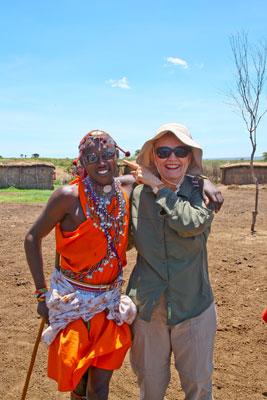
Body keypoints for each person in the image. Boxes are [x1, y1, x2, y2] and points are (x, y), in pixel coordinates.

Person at [24, 130, 137, 400]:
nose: (102, 162)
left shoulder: (127, 187)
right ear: (81, 162)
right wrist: (42, 294)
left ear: (118, 157)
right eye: (92, 156)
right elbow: (32, 238)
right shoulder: (68, 196)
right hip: (74, 303)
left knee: (99, 386)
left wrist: (203, 183)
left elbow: (170, 172)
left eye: (109, 154)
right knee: (80, 382)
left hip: (109, 304)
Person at [124, 122, 221, 400]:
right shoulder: (138, 196)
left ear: (190, 157)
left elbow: (189, 223)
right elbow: (125, 242)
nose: (172, 158)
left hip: (193, 306)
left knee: (198, 385)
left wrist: (158, 186)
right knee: (150, 385)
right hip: (148, 308)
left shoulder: (201, 194)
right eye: (164, 151)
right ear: (153, 157)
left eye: (180, 151)